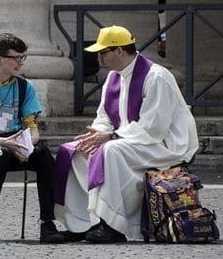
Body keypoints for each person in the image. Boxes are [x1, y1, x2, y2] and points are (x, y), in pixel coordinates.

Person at [54, 25, 199, 243]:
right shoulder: (113, 77)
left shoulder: (156, 76)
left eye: (103, 53)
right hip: (131, 140)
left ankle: (113, 225)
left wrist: (111, 137)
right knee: (74, 152)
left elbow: (153, 127)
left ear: (119, 51)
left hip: (164, 146)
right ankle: (83, 224)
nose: (99, 58)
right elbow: (103, 117)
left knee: (110, 151)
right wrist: (97, 134)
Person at [0, 33, 64, 244]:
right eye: (16, 57)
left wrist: (28, 145)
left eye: (23, 57)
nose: (20, 62)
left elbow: (33, 129)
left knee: (44, 155)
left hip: (17, 141)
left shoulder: (26, 86)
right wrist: (3, 142)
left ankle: (48, 223)